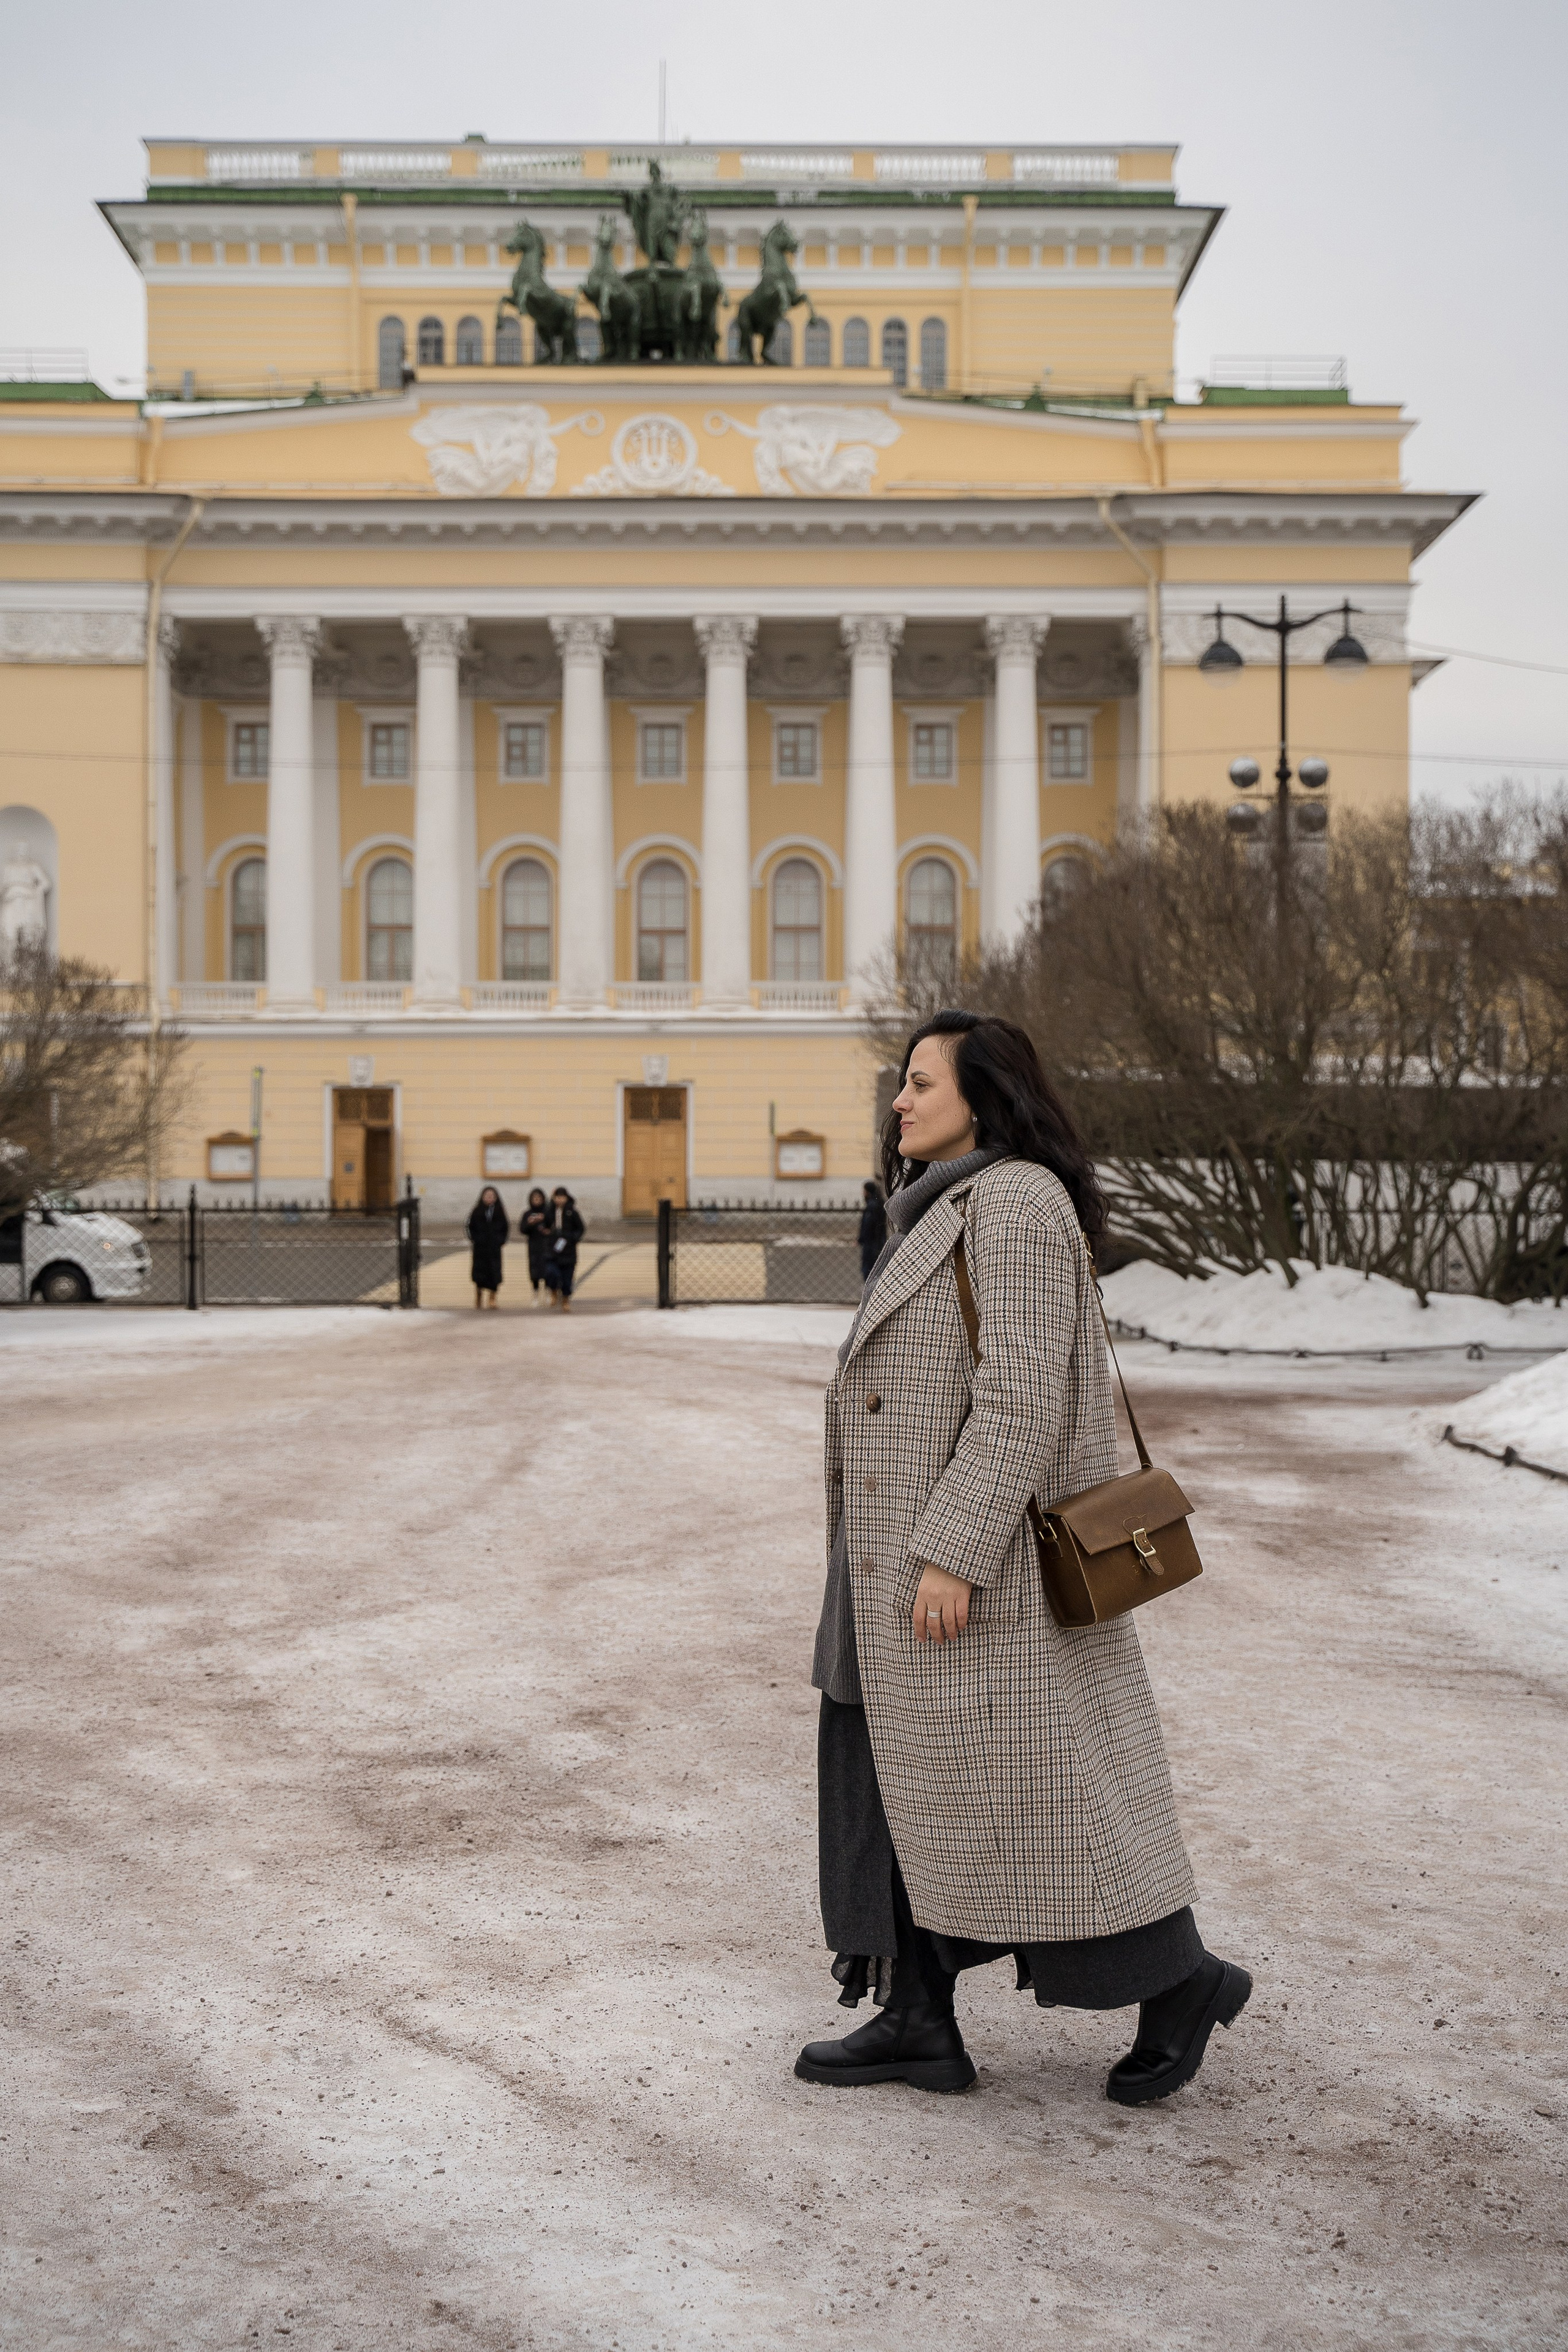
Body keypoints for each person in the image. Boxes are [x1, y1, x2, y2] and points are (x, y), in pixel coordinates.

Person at [799, 1008, 1250, 2108]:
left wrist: (953, 1552)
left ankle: (1182, 1981)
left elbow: (1020, 1401)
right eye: (899, 1085)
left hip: (971, 1570)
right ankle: (918, 2018)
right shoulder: (935, 1208)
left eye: (920, 1083)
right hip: (890, 1561)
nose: (899, 1102)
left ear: (983, 1097)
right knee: (897, 1783)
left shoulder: (1015, 1204)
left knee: (1049, 1802)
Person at [541, 1185, 584, 1311]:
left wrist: (573, 1239)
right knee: (551, 1272)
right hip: (553, 1250)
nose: (560, 1200)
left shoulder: (572, 1212)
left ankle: (566, 1299)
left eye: (562, 1197)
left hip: (568, 1250)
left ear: (566, 1198)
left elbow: (580, 1229)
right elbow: (544, 1225)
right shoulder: (549, 1212)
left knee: (567, 1278)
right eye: (557, 1197)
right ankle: (553, 1290)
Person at [466, 1185, 509, 1310]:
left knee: (494, 1273)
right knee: (480, 1274)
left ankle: (492, 1298)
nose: (489, 1198)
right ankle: (479, 1297)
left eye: (492, 1196)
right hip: (480, 1249)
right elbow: (470, 1227)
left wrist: (500, 1241)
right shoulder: (477, 1211)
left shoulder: (500, 1211)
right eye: (487, 1196)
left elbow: (505, 1228)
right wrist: (476, 1239)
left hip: (494, 1248)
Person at [521, 1186, 551, 1302]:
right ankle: (535, 1292)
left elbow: (552, 1226)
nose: (537, 1201)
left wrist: (545, 1221)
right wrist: (530, 1223)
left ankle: (548, 1291)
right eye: (535, 1199)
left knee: (548, 1268)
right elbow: (522, 1229)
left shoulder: (547, 1213)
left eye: (539, 1198)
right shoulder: (527, 1214)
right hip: (534, 1246)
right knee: (534, 1270)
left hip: (547, 1245)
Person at [857, 1178, 886, 1283]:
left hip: (871, 1244)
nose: (863, 1193)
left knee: (868, 1270)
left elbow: (867, 1226)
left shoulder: (872, 1206)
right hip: (879, 1242)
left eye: (864, 1191)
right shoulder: (880, 1203)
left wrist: (861, 1239)